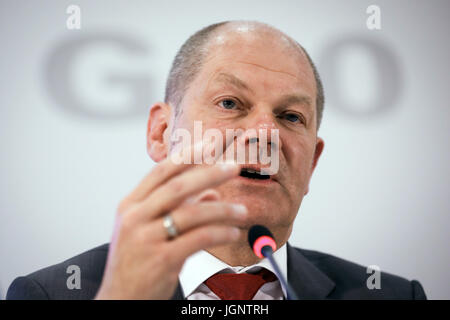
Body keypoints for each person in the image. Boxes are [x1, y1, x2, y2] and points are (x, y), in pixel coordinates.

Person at [7, 20, 426, 300]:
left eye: (290, 116)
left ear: (312, 162)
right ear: (161, 133)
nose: (265, 134)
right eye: (230, 103)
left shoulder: (393, 295)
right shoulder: (50, 293)